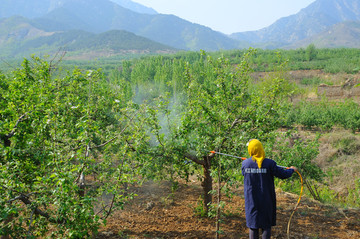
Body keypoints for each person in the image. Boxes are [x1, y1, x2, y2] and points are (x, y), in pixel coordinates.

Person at [241, 139, 297, 239]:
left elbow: (244, 173)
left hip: (251, 200)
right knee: (266, 226)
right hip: (266, 199)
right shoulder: (270, 164)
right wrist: (292, 170)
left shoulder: (245, 164)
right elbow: (283, 174)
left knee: (253, 226)